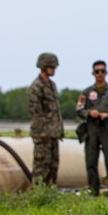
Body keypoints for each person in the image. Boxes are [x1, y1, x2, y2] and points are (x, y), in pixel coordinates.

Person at [76, 60, 108, 195]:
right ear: (93, 74)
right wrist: (89, 112)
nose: (100, 74)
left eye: (102, 71)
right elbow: (79, 109)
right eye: (97, 71)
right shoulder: (87, 92)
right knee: (91, 160)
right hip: (92, 129)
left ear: (106, 73)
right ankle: (94, 190)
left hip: (107, 128)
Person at [28, 52, 64, 185]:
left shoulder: (52, 85)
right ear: (43, 67)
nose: (54, 70)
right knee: (41, 166)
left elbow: (55, 111)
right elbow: (35, 113)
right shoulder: (37, 87)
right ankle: (38, 194)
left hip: (53, 133)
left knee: (53, 166)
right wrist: (43, 134)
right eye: (51, 67)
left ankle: (50, 193)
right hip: (43, 135)